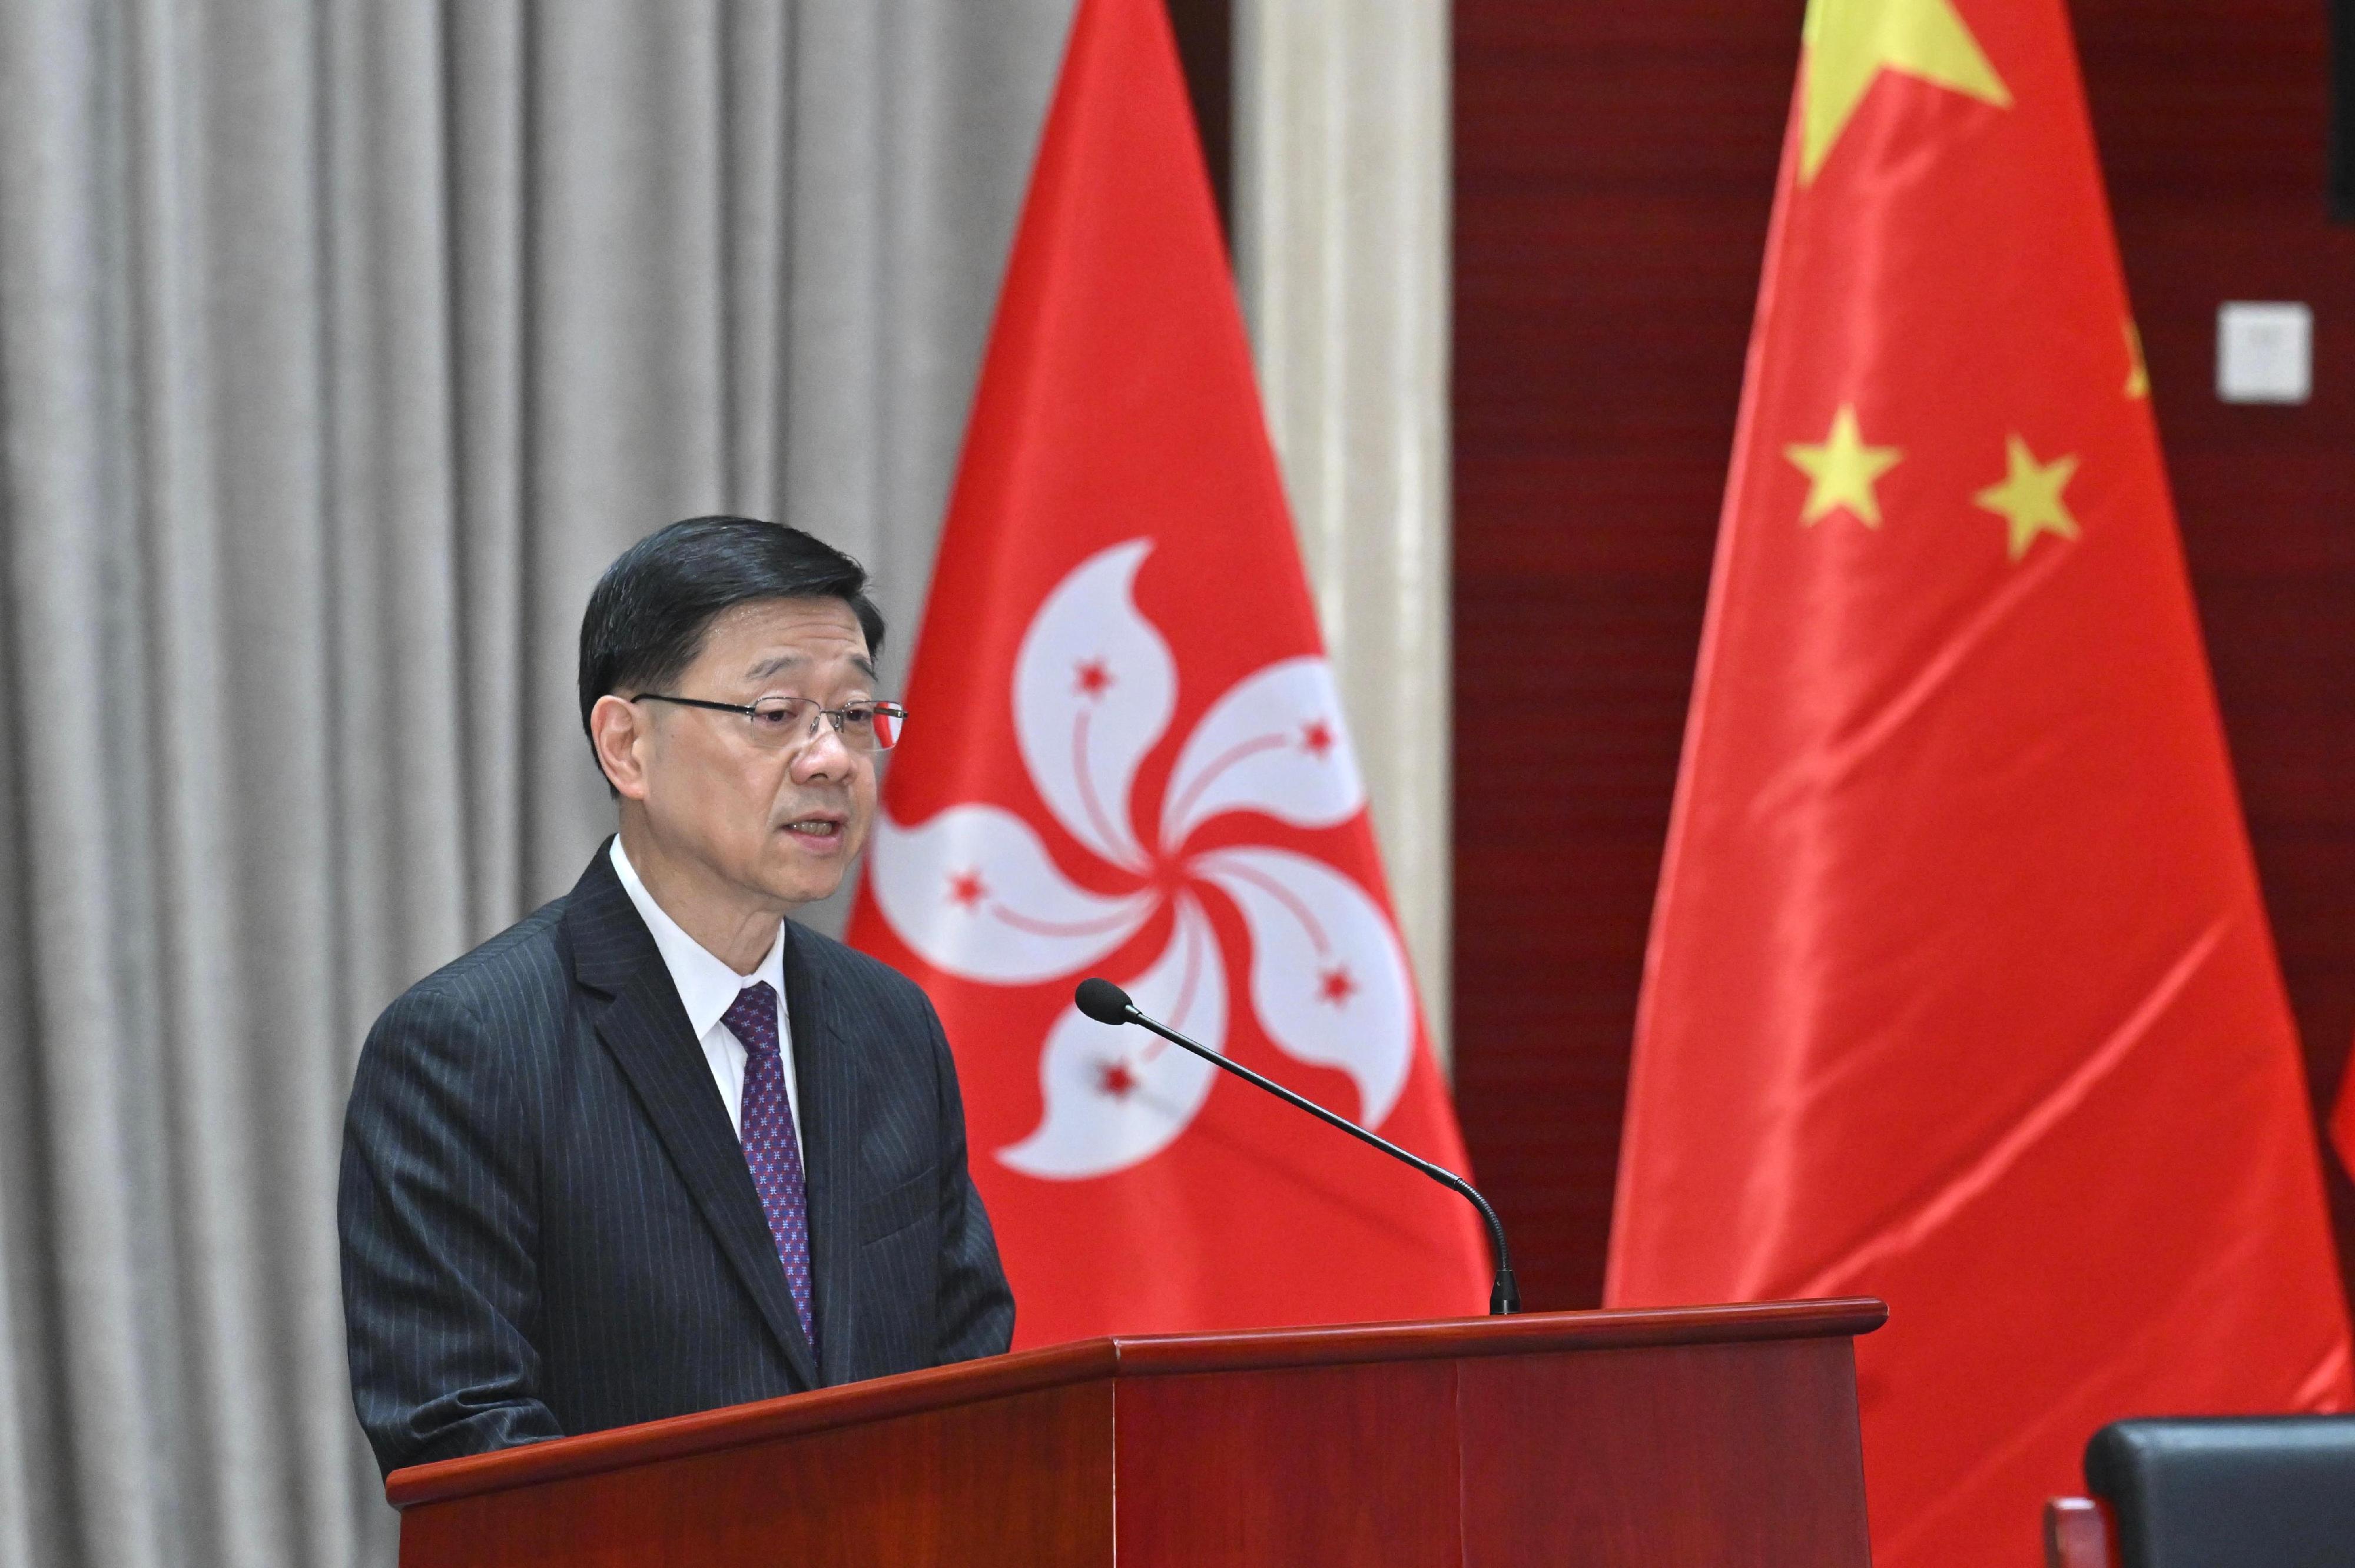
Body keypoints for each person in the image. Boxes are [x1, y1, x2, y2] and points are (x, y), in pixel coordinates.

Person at [338, 516, 1013, 1476]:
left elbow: (970, 1374)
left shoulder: (890, 1026)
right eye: (776, 713)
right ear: (627, 747)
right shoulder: (467, 1047)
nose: (831, 759)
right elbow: (465, 1441)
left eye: (857, 715)